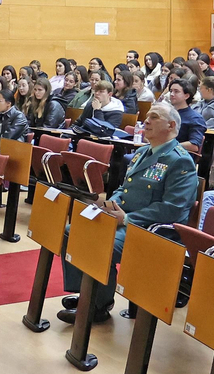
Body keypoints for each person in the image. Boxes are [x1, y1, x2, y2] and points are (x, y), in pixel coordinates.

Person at [57, 104, 196, 325]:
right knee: (69, 231)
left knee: (100, 242)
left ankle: (98, 306)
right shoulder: (142, 152)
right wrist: (112, 204)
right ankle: (87, 292)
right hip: (123, 219)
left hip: (152, 230)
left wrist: (128, 219)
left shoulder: (180, 160)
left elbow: (174, 208)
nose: (146, 121)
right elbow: (125, 188)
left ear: (171, 126)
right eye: (147, 116)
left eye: (154, 117)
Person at [166, 77, 205, 153]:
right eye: (171, 91)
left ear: (186, 96)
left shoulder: (195, 118)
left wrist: (169, 146)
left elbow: (194, 145)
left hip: (180, 156)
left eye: (176, 91)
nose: (172, 94)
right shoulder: (166, 113)